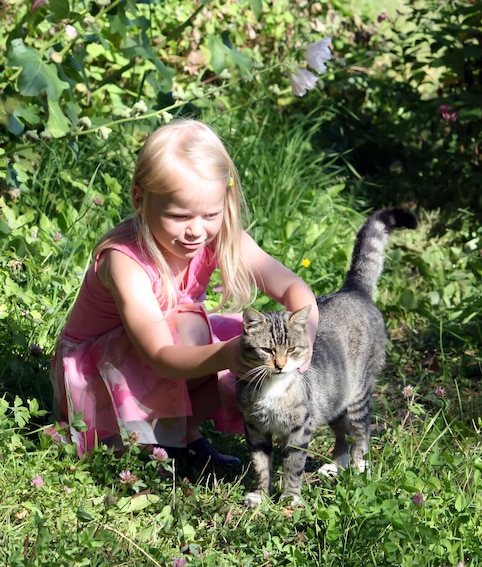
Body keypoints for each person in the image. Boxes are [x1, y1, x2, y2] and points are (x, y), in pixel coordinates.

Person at [50, 119, 319, 469]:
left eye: (210, 214)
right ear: (140, 199)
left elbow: (293, 289)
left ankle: (180, 436)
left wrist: (307, 337)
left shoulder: (219, 236)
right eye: (179, 216)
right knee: (201, 332)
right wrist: (224, 355)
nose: (196, 230)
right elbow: (160, 354)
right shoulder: (124, 261)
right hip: (100, 376)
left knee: (250, 353)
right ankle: (142, 438)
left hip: (162, 356)